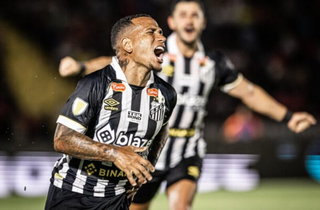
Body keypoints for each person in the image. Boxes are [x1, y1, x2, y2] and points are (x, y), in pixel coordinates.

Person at [59, 1, 317, 209]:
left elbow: (248, 92)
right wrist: (81, 66)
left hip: (187, 150)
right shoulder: (153, 54)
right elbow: (115, 61)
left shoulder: (214, 63)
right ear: (172, 22)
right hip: (145, 153)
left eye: (195, 15)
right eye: (183, 14)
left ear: (203, 22)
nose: (189, 20)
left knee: (181, 206)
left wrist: (287, 116)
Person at [45, 14, 177, 210]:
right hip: (72, 196)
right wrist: (115, 153)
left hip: (117, 200)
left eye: (161, 32)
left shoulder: (166, 94)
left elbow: (161, 133)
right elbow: (62, 139)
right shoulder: (94, 84)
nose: (162, 38)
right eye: (151, 32)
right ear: (128, 45)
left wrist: (144, 169)